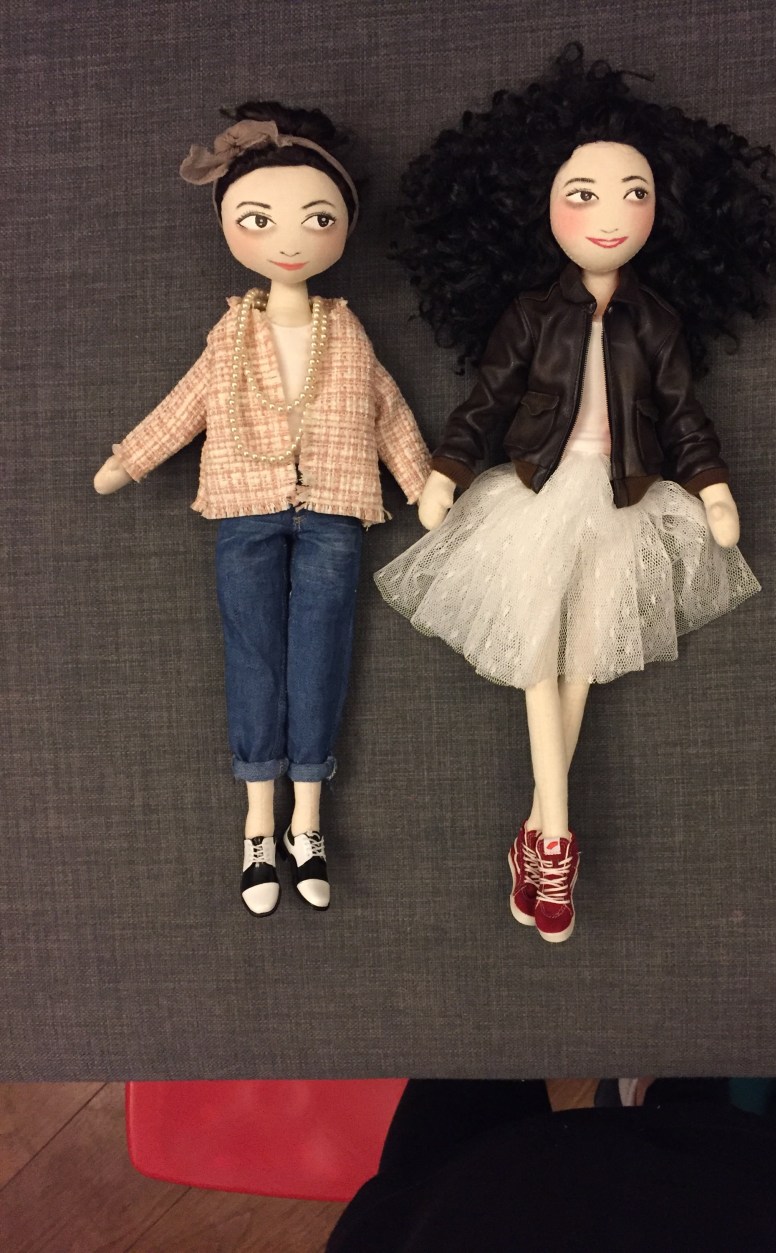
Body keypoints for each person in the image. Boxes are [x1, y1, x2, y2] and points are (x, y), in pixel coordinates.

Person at [375, 45, 776, 942]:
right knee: (539, 654)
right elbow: (487, 401)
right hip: (535, 491)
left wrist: (712, 487)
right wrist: (448, 469)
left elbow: (682, 414)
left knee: (578, 663)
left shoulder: (656, 322)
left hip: (624, 498)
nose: (610, 215)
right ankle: (555, 837)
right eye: (583, 194)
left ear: (663, 207)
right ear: (537, 205)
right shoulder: (532, 316)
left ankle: (539, 832)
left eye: (632, 194)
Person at [94, 102, 430, 916]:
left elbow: (385, 409)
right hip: (244, 505)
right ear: (229, 226)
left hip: (336, 508)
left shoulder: (348, 334)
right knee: (252, 656)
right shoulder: (230, 335)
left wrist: (423, 483)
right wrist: (130, 458)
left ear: (342, 226)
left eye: (316, 218)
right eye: (259, 219)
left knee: (321, 654)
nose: (288, 239)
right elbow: (188, 403)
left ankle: (306, 819)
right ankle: (256, 823)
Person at [325, 1078, 776, 1251]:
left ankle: (665, 1086)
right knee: (701, 1120)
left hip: (457, 1208)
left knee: (468, 1067)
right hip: (749, 1204)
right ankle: (664, 1084)